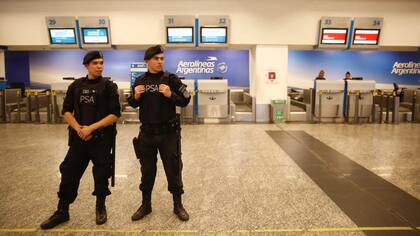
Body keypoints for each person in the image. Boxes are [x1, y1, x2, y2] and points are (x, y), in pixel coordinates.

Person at [40, 51, 121, 229]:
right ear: (86, 66)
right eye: (95, 63)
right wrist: (79, 129)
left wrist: (91, 128)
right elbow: (66, 111)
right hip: (79, 139)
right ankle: (62, 211)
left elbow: (115, 114)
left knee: (101, 175)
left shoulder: (109, 86)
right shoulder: (76, 86)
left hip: (100, 140)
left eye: (101, 63)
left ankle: (100, 207)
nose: (100, 66)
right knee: (68, 172)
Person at [128, 45, 191, 221]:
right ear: (147, 61)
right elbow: (132, 103)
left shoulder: (171, 78)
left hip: (168, 134)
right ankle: (145, 205)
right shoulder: (140, 80)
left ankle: (178, 205)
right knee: (147, 171)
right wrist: (136, 96)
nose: (160, 61)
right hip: (147, 134)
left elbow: (186, 99)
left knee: (173, 169)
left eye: (162, 58)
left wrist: (171, 95)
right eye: (156, 59)